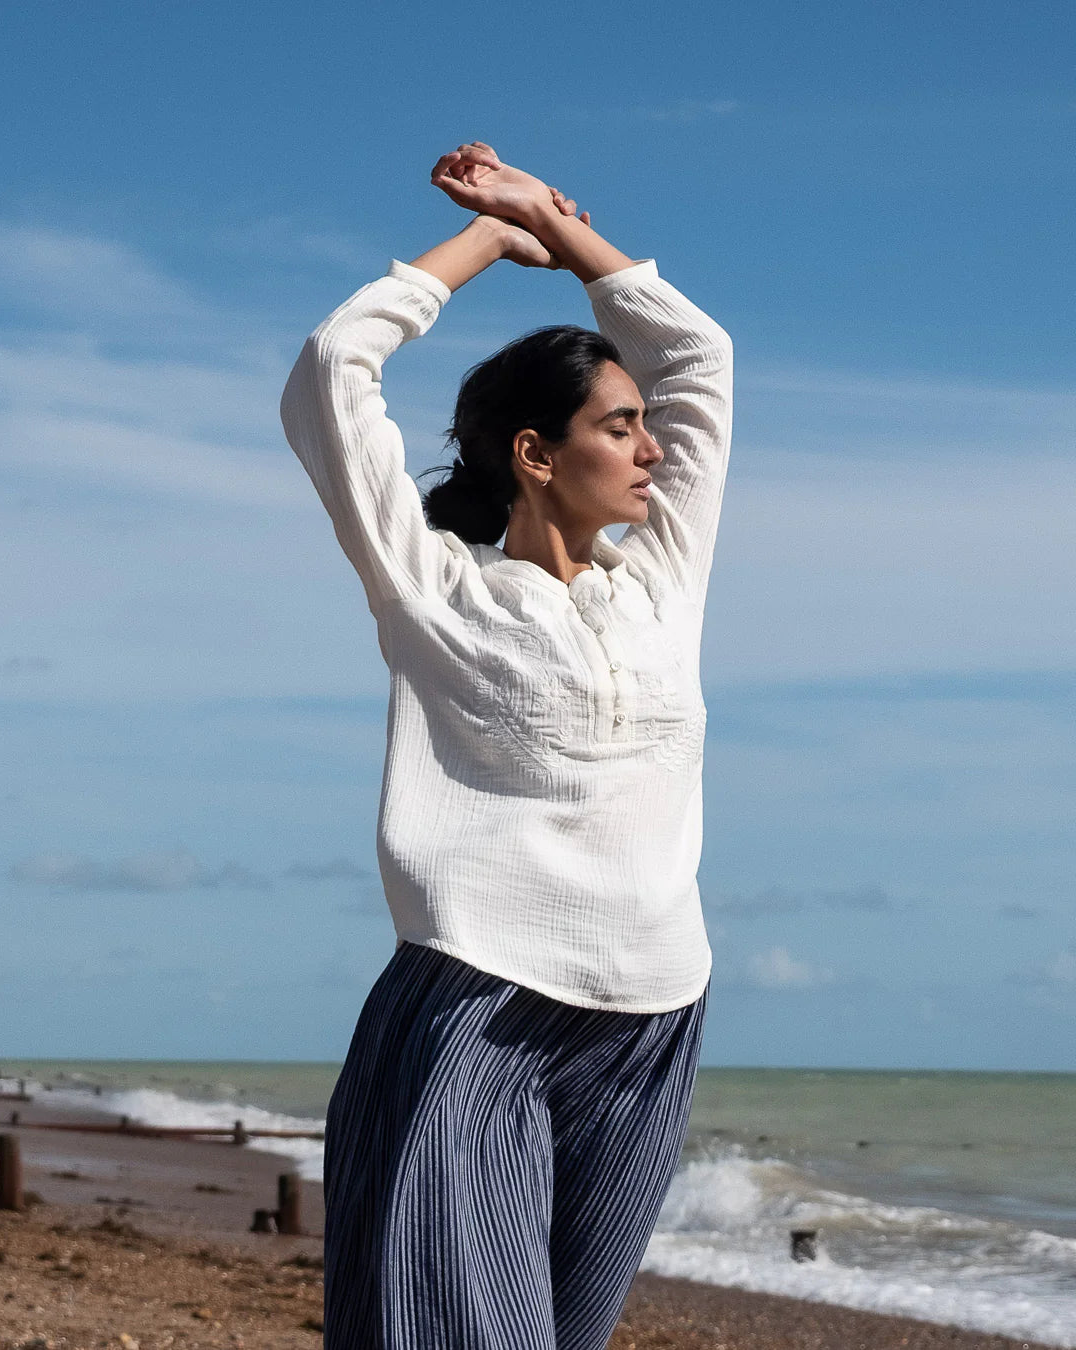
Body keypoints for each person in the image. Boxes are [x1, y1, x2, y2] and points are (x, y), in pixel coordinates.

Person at [280, 141, 734, 1350]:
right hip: (477, 1006)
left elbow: (701, 358)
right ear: (535, 454)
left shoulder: (662, 583)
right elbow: (335, 370)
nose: (652, 450)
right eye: (620, 426)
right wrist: (485, 242)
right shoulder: (437, 589)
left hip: (654, 1022)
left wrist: (560, 222)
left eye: (648, 429)